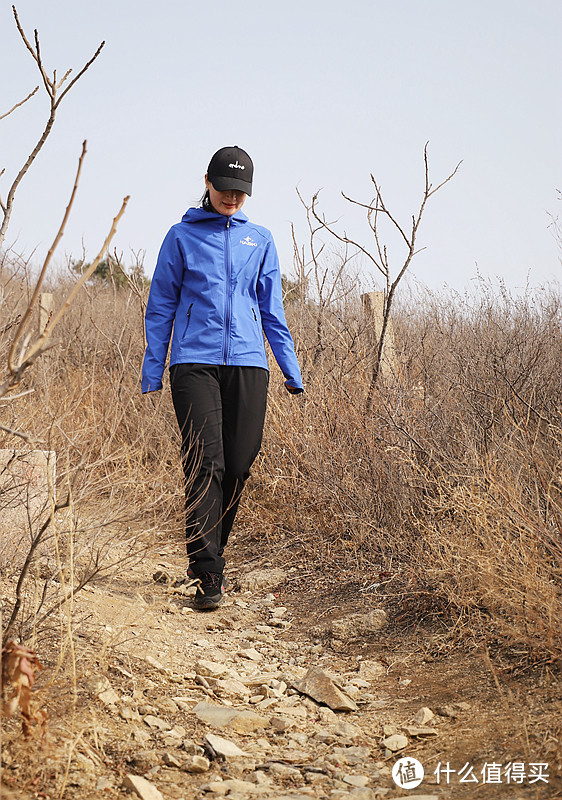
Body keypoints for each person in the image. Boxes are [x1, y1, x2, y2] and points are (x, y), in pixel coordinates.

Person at [141, 146, 303, 610]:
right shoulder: (181, 236)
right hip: (194, 362)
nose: (233, 197)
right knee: (204, 461)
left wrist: (290, 369)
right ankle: (208, 570)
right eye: (225, 188)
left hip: (249, 363)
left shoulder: (262, 240)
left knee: (238, 464)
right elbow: (161, 305)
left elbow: (272, 309)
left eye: (241, 191)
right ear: (207, 181)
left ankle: (210, 550)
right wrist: (155, 368)